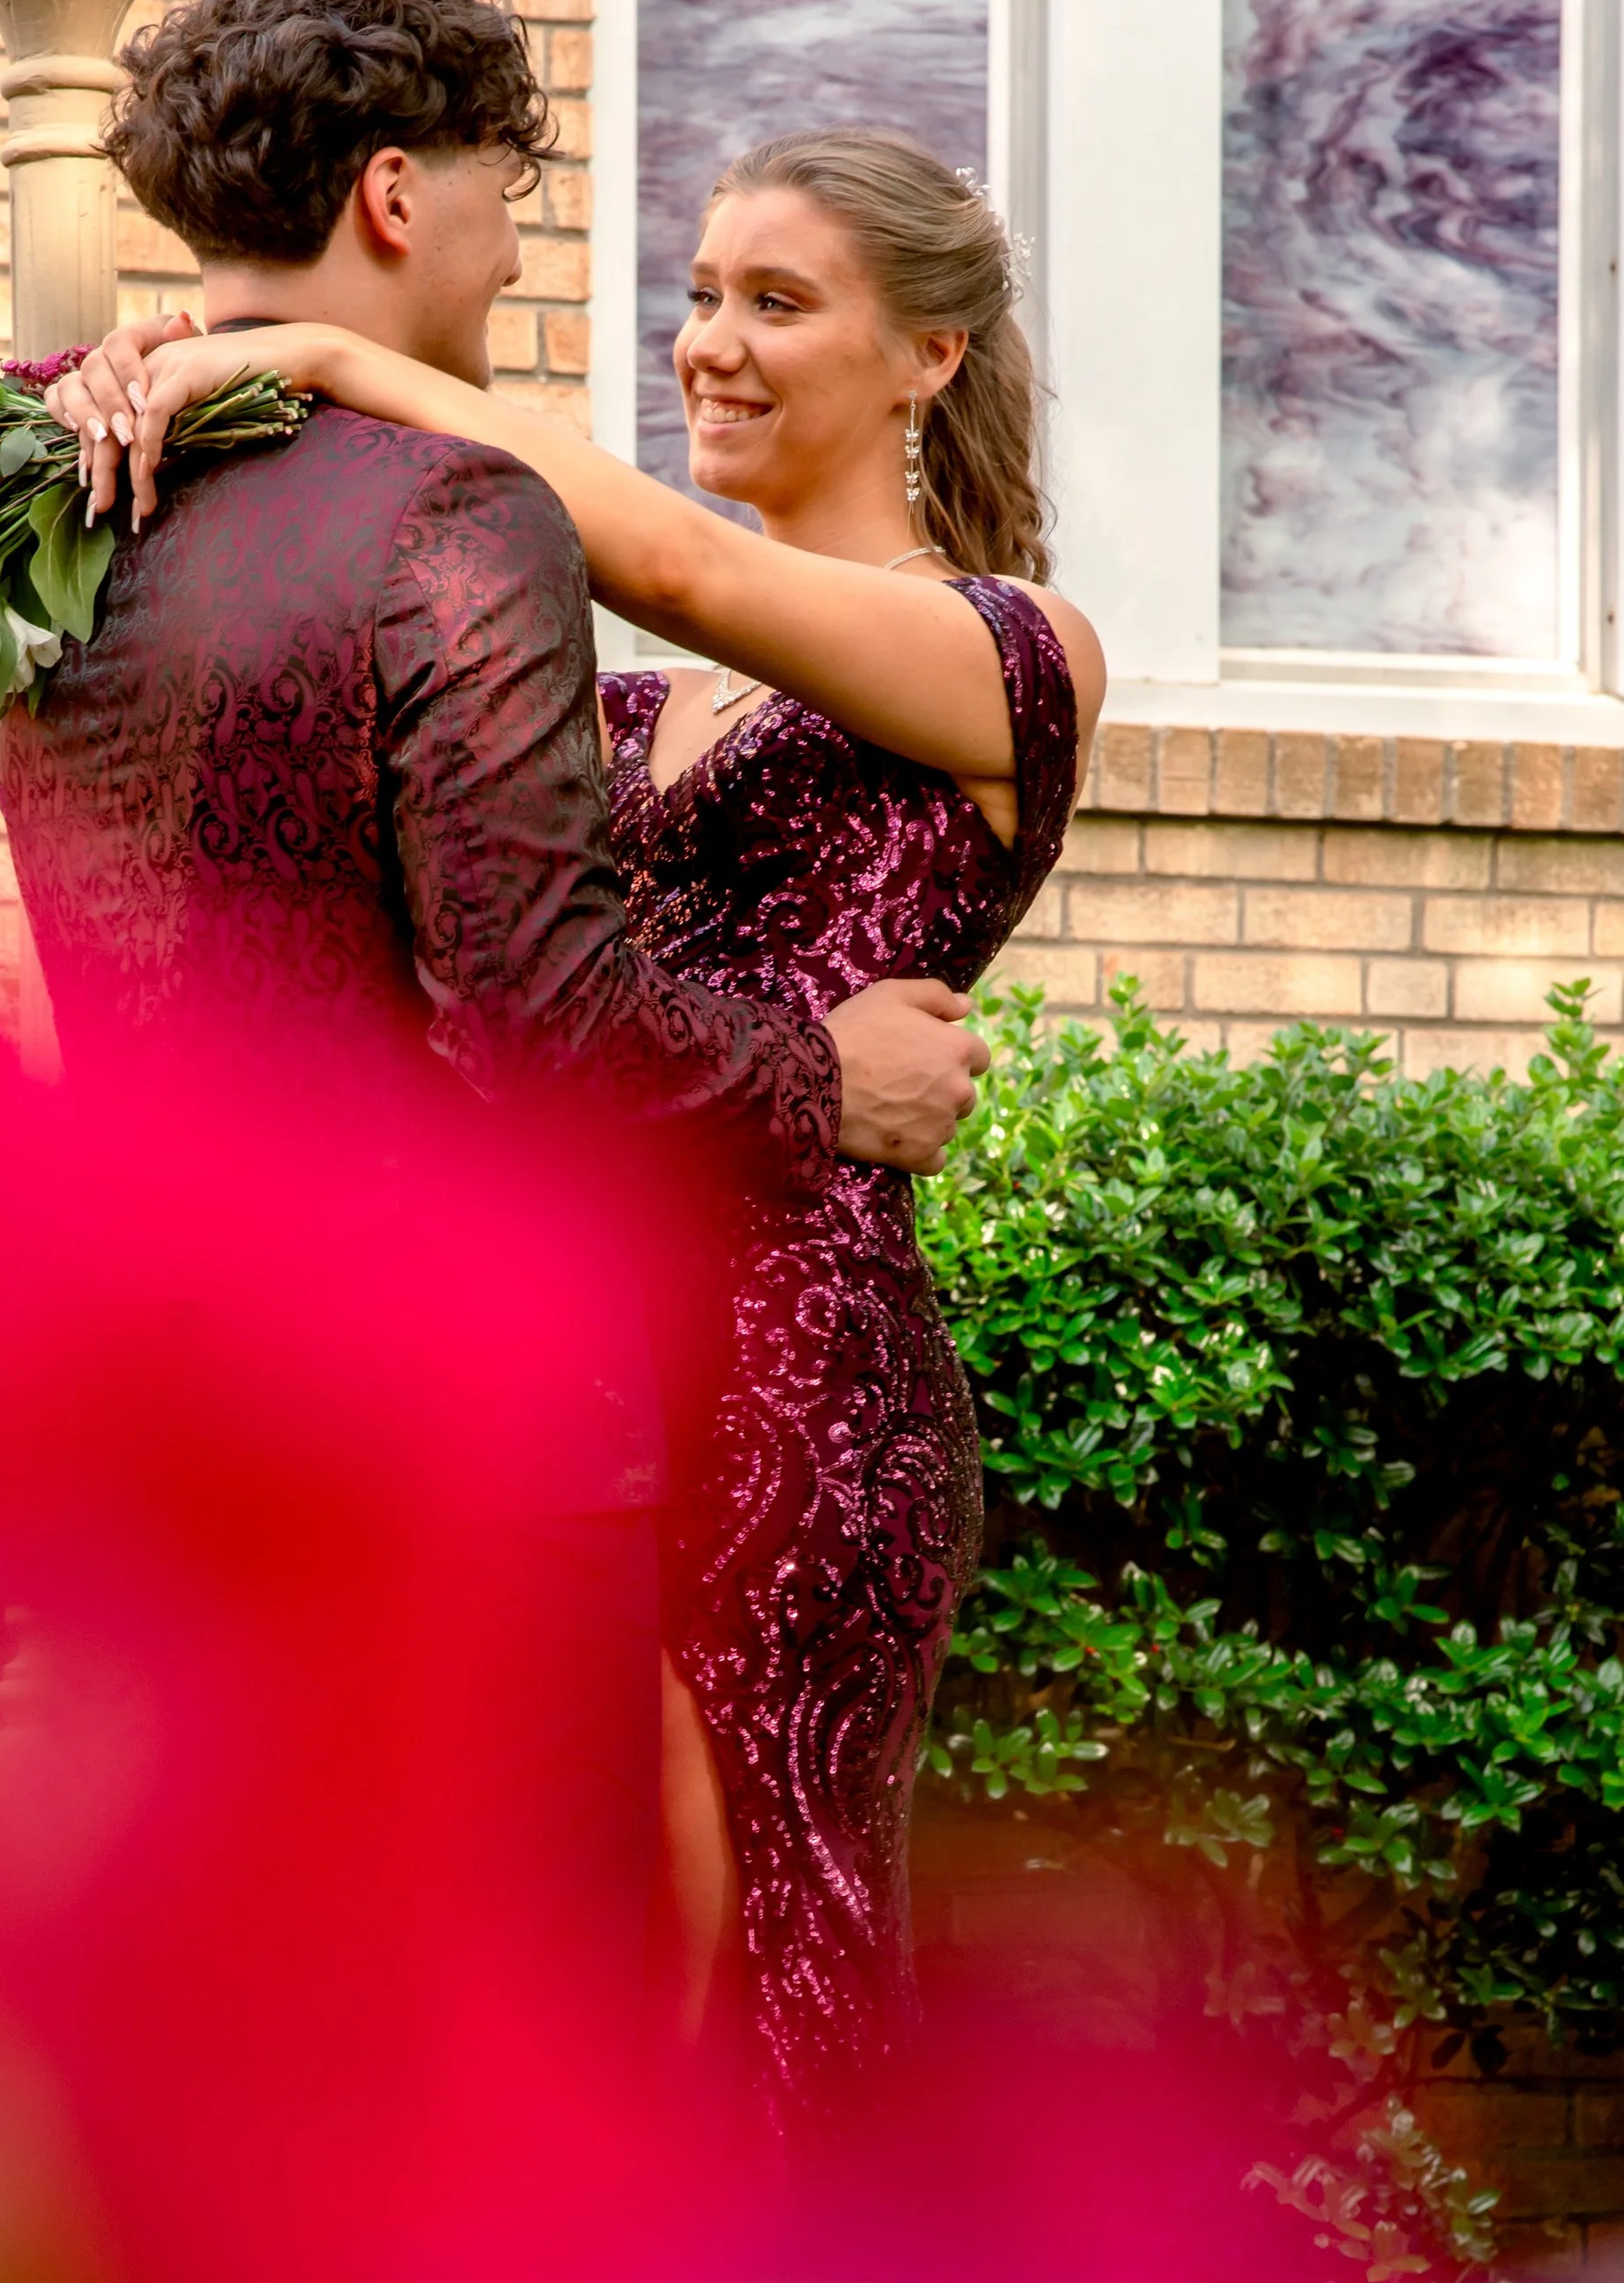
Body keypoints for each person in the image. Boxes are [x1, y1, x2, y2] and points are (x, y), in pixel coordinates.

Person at [53, 116, 1105, 2125]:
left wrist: (351, 364)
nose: (707, 342)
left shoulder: (1009, 656)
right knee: (582, 1944)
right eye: (699, 293)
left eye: (773, 303)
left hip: (795, 1379)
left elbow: (683, 563)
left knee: (740, 1923)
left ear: (928, 362)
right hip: (566, 1352)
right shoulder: (620, 715)